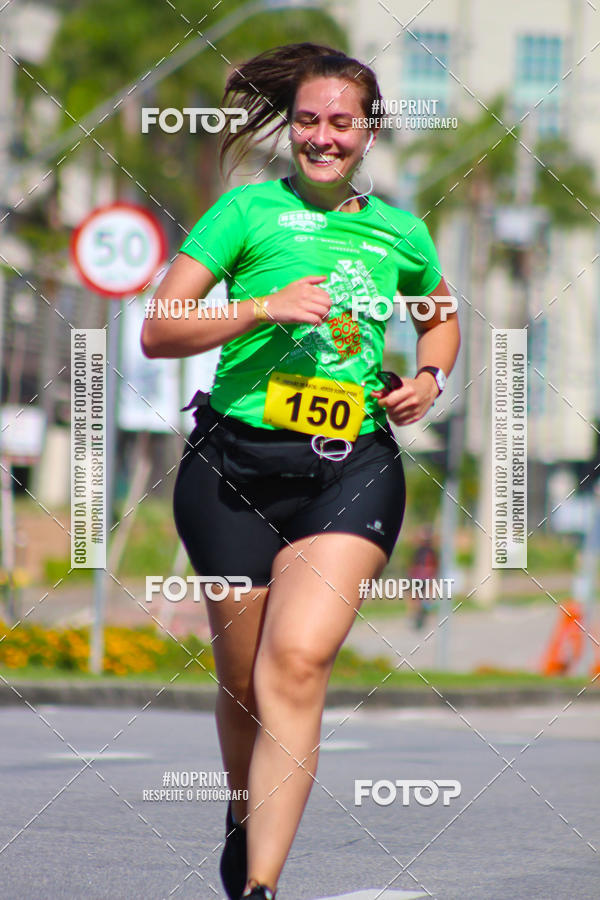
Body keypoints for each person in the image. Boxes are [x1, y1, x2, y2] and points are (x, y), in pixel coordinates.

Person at [141, 42, 460, 900]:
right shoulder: (245, 212)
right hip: (233, 470)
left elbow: (440, 321)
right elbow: (161, 328)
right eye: (310, 120)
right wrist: (260, 308)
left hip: (349, 467)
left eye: (342, 123)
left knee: (296, 664)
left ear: (369, 131)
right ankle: (244, 815)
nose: (323, 137)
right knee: (244, 683)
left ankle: (261, 888)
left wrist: (429, 380)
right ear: (293, 126)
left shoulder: (400, 231)